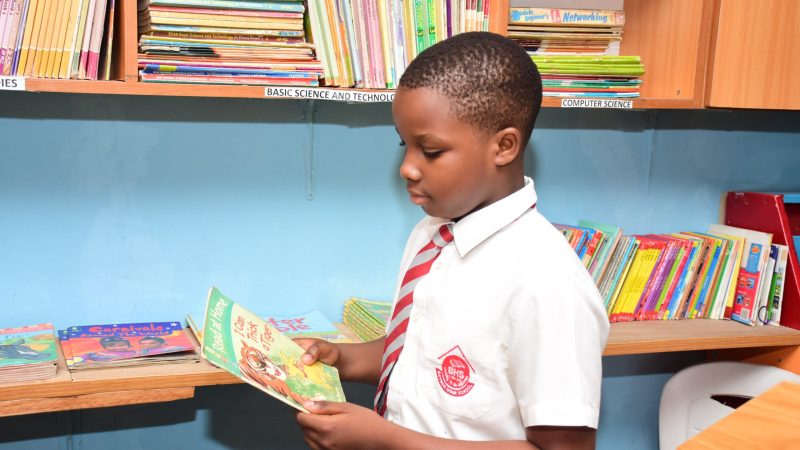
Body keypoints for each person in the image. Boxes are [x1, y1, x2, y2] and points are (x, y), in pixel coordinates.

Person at [295, 31, 609, 450]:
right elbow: (421, 353)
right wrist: (343, 359)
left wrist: (384, 439)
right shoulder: (433, 234)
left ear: (504, 146)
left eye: (430, 150)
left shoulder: (547, 283)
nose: (407, 168)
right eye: (404, 145)